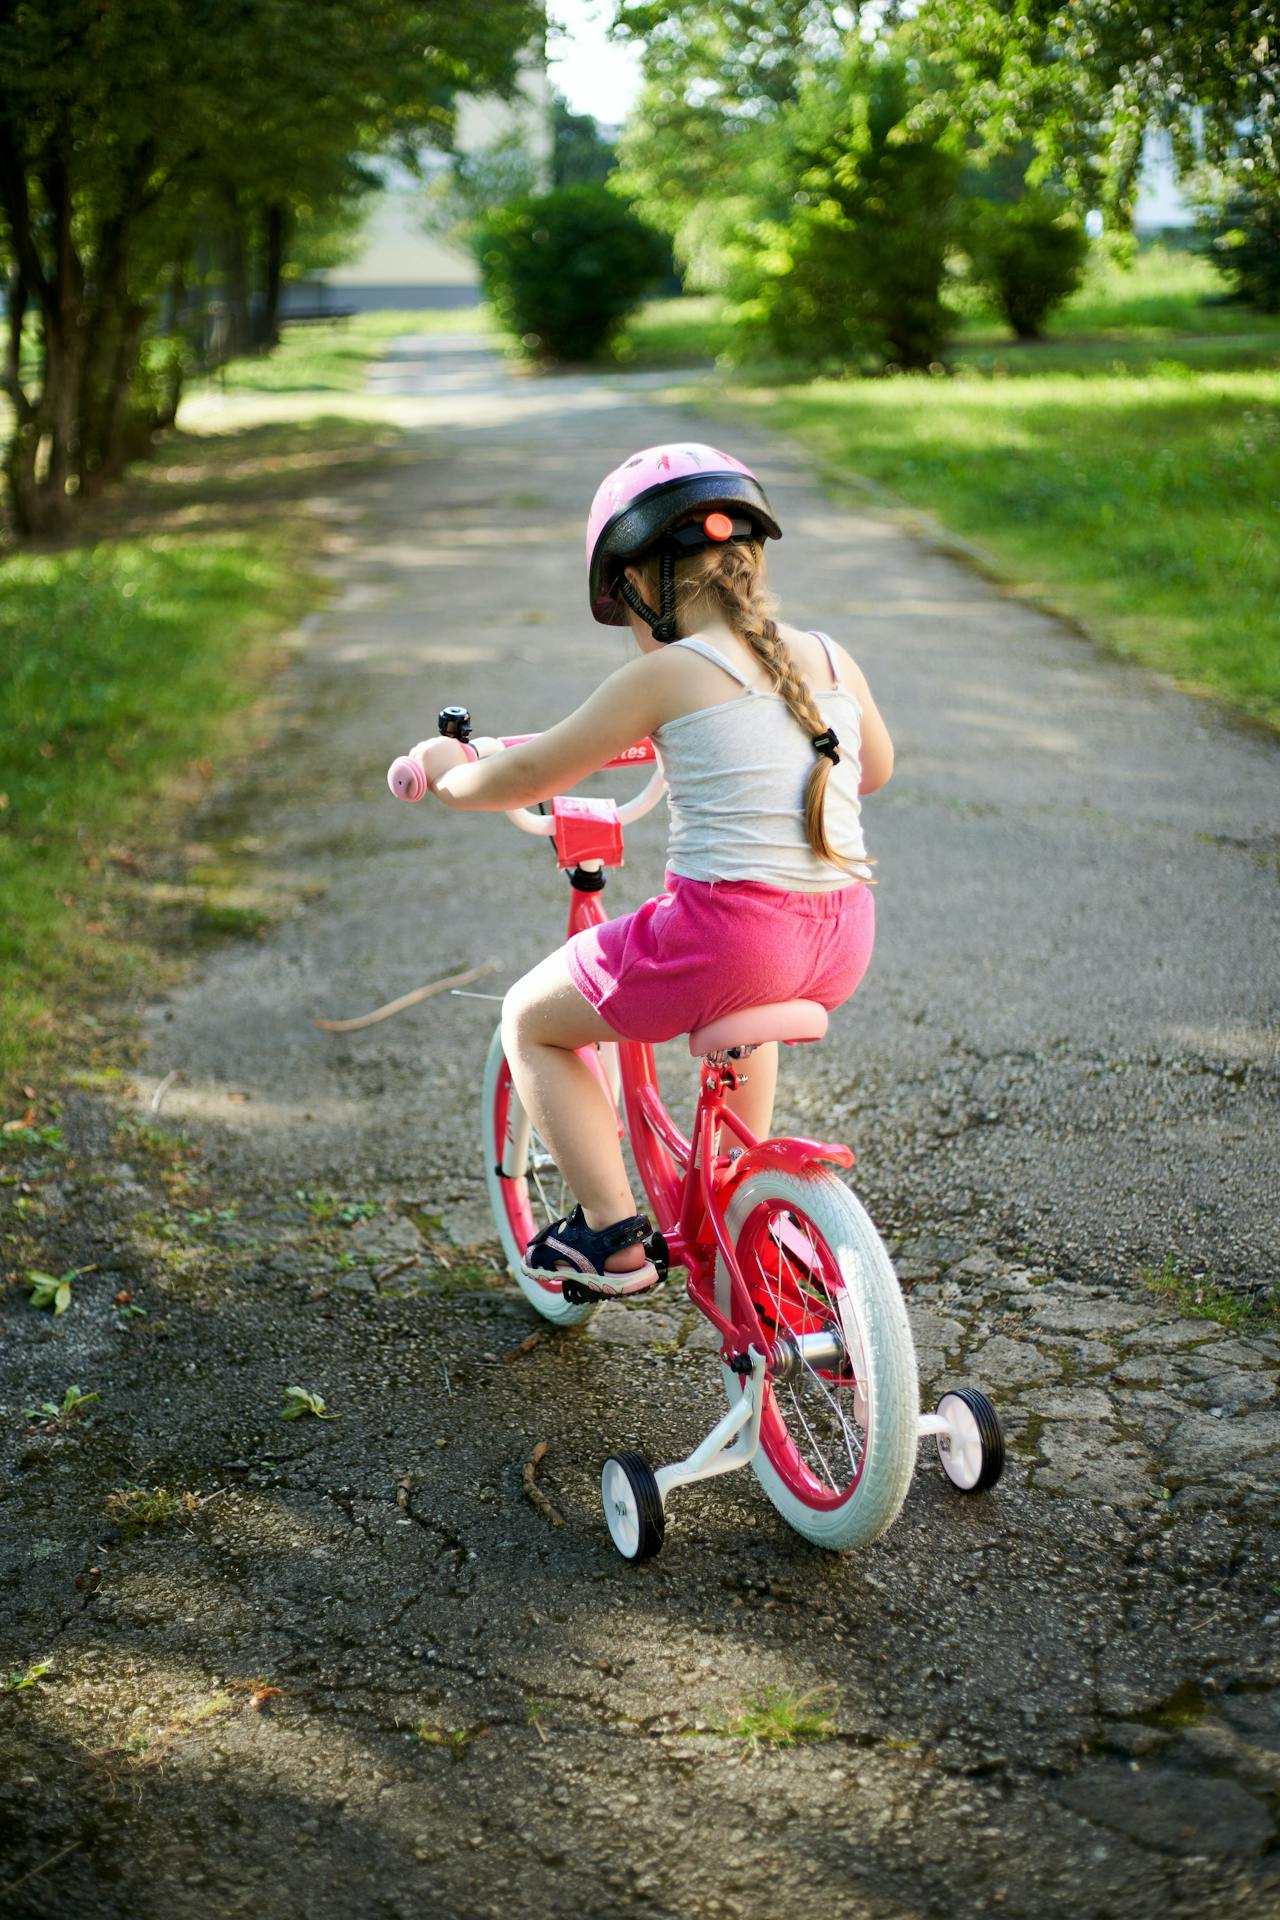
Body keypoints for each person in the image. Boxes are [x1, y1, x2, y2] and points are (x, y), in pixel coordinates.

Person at [409, 442, 894, 1302]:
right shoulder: (825, 654)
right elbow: (876, 767)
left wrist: (447, 771)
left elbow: (524, 778)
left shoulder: (664, 673)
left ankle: (610, 1237)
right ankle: (742, 1201)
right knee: (749, 1019)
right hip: (842, 933)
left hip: (733, 935)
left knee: (531, 1019)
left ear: (639, 584)